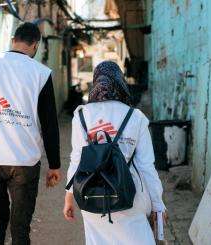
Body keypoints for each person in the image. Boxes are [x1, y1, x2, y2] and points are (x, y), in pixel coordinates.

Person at [0, 22, 61, 245]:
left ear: (13, 40)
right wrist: (54, 164)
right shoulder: (41, 73)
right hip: (24, 162)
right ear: (35, 45)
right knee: (20, 225)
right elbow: (49, 124)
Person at [63, 61, 166, 244]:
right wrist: (158, 206)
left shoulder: (81, 116)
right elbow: (146, 166)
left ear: (96, 82)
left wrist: (69, 197)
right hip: (130, 194)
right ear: (120, 82)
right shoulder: (136, 117)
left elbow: (77, 160)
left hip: (92, 195)